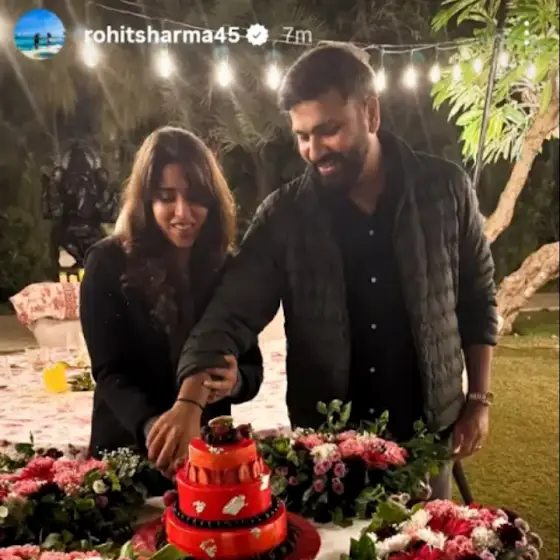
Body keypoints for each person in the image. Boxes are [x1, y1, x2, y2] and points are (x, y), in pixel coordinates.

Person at [147, 44, 498, 499]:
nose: (314, 151)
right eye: (302, 136)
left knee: (430, 536)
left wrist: (479, 399)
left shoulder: (445, 190)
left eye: (329, 130)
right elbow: (229, 314)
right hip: (328, 454)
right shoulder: (284, 215)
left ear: (370, 113)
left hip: (428, 439)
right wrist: (188, 401)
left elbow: (477, 299)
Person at [79, 126, 263, 477]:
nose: (183, 213)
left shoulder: (226, 267)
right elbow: (109, 373)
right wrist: (158, 432)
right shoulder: (108, 263)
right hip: (127, 456)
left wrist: (235, 381)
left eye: (196, 198)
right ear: (146, 201)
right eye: (166, 198)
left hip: (206, 458)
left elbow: (252, 367)